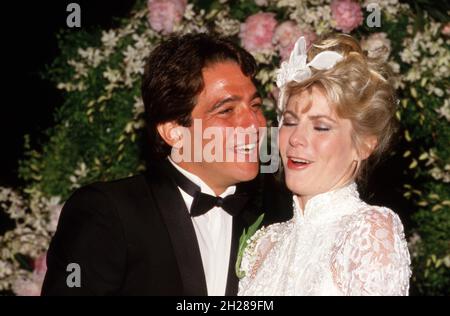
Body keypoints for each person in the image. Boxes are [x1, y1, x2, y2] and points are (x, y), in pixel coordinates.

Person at [42, 33, 289, 296]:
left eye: (256, 105)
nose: (254, 124)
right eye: (226, 110)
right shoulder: (107, 213)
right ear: (174, 131)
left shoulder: (275, 216)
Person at [238, 34, 411, 296]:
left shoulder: (367, 232)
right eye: (291, 121)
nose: (296, 138)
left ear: (363, 145)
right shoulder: (265, 244)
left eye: (321, 127)